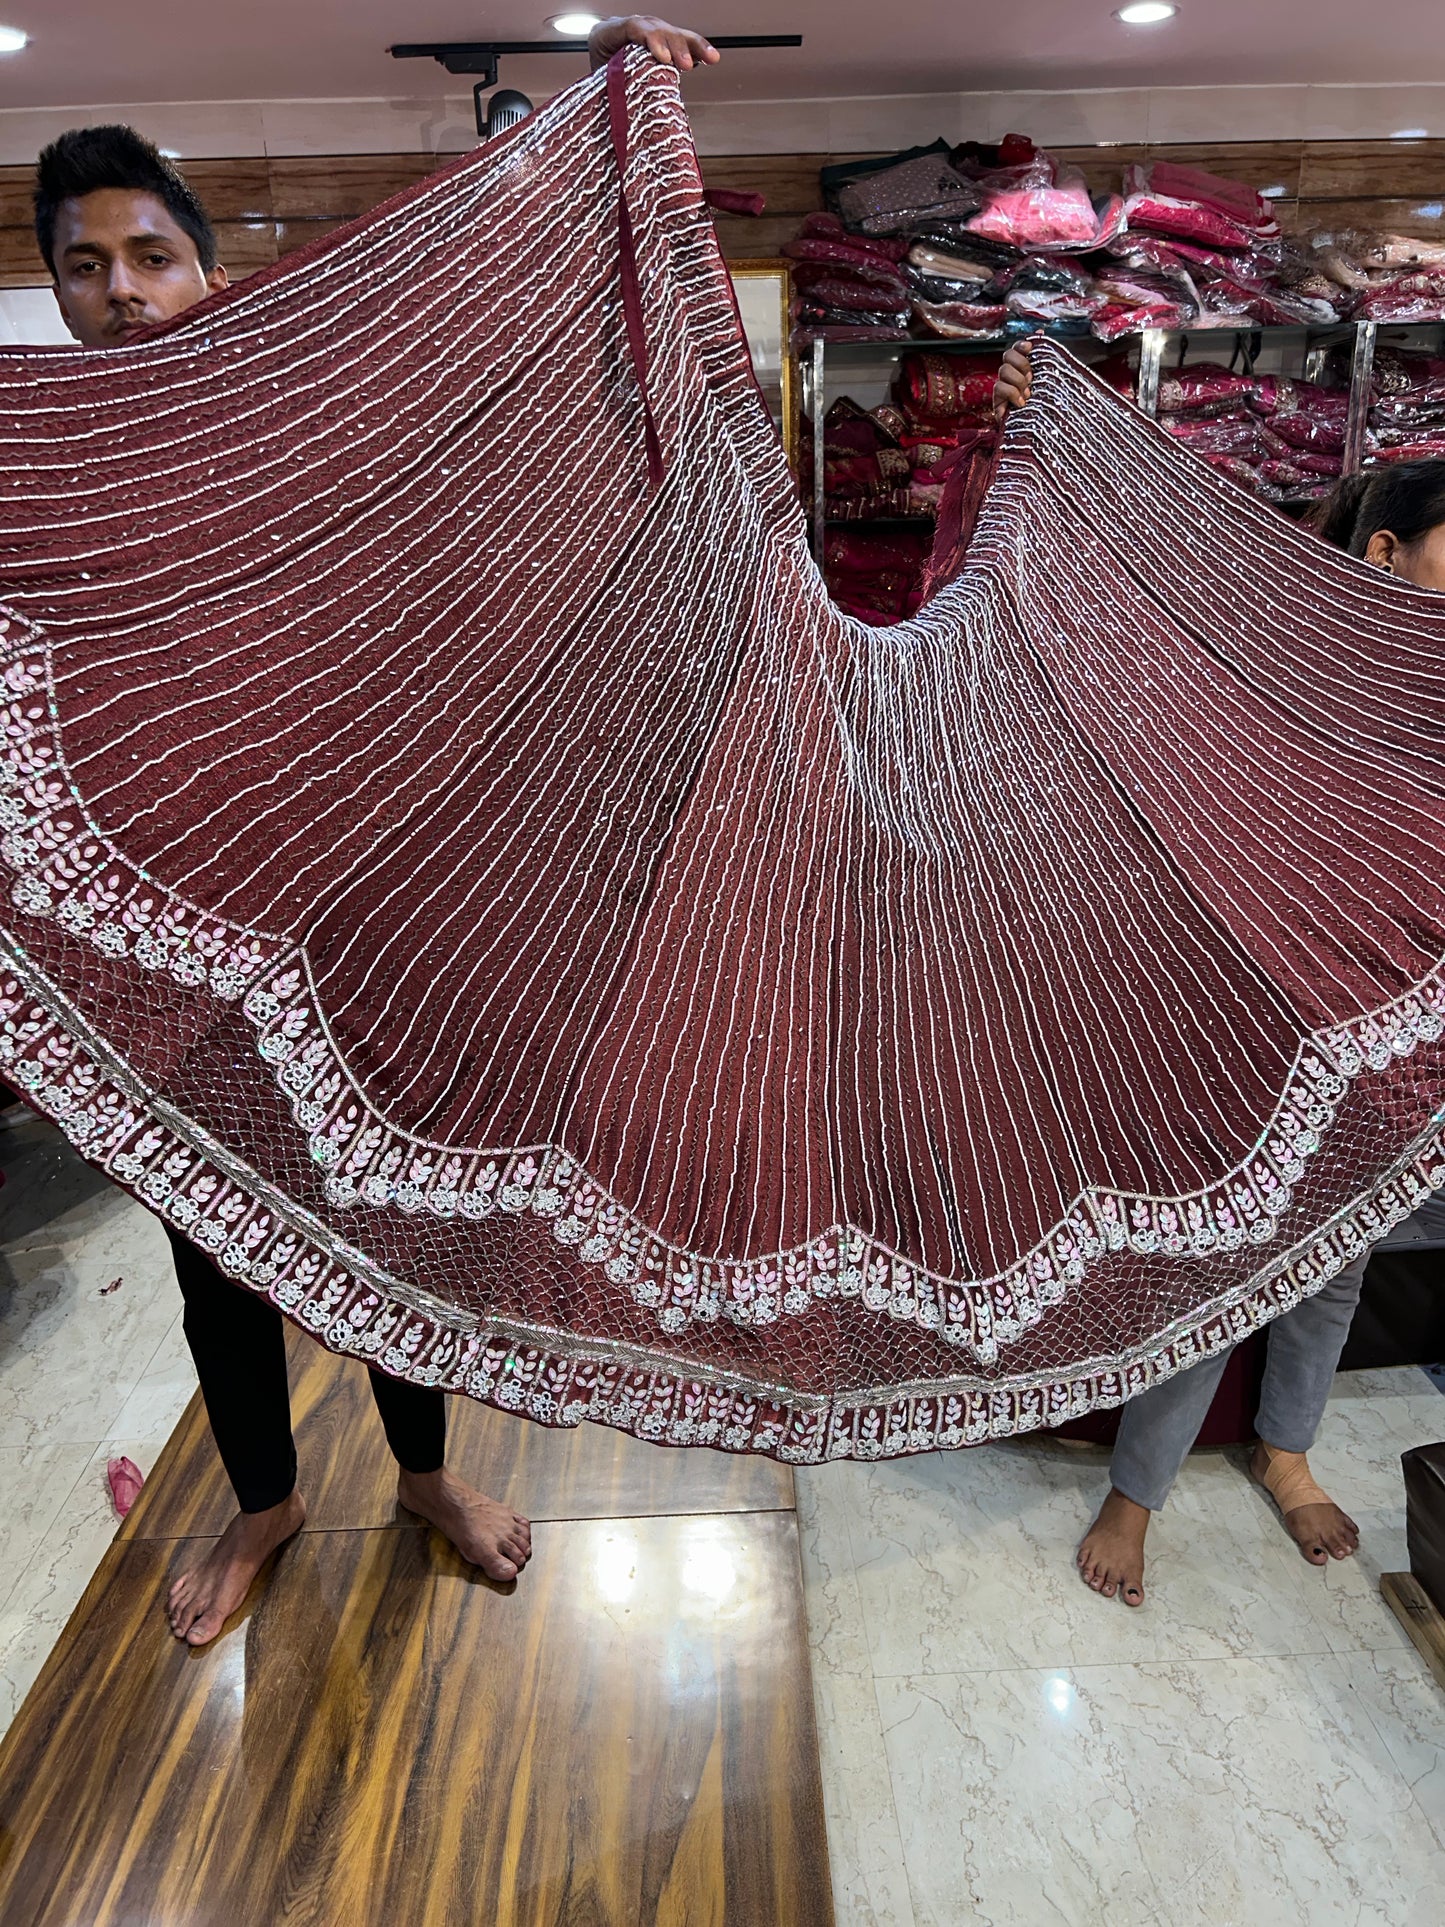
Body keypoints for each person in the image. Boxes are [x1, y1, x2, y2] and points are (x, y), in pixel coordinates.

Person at [32, 12, 716, 1647]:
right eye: (81, 266)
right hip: (168, 931)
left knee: (398, 1209)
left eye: (148, 255)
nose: (120, 290)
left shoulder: (284, 417)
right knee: (211, 1252)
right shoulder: (38, 470)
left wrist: (592, 110)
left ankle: (422, 1472)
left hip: (363, 906)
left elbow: (458, 337)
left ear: (209, 271)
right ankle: (265, 1502)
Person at [995, 338, 1445, 1603]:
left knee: (1337, 1259)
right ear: (1384, 556)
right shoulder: (1313, 651)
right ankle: (1135, 1494)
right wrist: (1070, 445)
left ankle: (1284, 1451)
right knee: (1229, 1246)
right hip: (1279, 994)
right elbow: (1163, 614)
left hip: (1400, 1023)